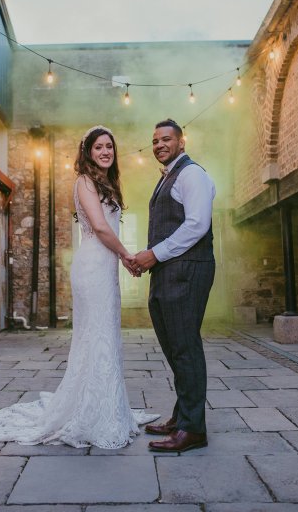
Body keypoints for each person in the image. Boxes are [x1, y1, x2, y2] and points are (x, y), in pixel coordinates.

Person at [0, 125, 158, 449]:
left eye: (109, 147)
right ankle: (92, 413)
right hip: (93, 266)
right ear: (87, 152)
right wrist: (128, 256)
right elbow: (101, 228)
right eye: (99, 147)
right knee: (96, 334)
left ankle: (107, 405)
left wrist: (120, 259)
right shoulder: (85, 182)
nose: (105, 152)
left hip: (105, 267)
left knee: (106, 334)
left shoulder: (108, 183)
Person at [131, 118, 215, 453]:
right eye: (154, 141)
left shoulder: (191, 174)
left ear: (181, 142)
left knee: (185, 347)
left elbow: (197, 225)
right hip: (170, 270)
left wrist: (154, 254)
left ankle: (193, 430)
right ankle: (183, 417)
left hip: (187, 270)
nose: (159, 145)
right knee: (174, 347)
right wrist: (152, 258)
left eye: (166, 139)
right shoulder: (169, 176)